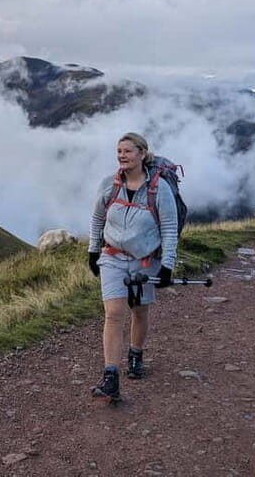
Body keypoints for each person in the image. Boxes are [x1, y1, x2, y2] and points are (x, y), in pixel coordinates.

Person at [87, 132, 178, 401]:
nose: (122, 156)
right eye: (119, 151)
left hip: (145, 261)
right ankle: (111, 376)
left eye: (127, 151)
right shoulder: (109, 185)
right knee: (114, 314)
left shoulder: (158, 189)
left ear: (142, 154)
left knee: (139, 311)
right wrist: (93, 250)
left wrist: (168, 265)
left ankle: (136, 354)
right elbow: (97, 218)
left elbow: (170, 228)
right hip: (112, 257)